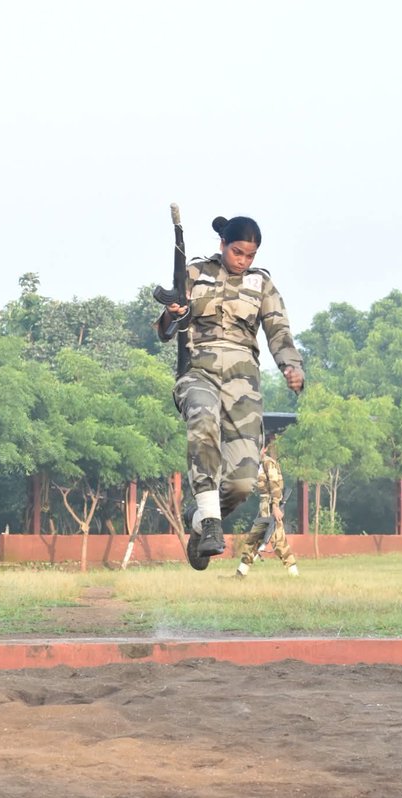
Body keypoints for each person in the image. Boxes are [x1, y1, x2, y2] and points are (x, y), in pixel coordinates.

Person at [158, 215, 305, 569]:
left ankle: (202, 521)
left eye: (250, 255)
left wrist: (291, 365)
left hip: (243, 382)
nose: (243, 260)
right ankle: (210, 522)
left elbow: (278, 330)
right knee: (203, 419)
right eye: (237, 252)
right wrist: (173, 312)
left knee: (241, 483)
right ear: (223, 244)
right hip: (198, 372)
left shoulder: (262, 284)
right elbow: (165, 330)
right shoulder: (195, 274)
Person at [235, 435, 299, 578]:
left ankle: (294, 575)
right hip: (264, 505)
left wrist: (276, 507)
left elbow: (275, 487)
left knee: (278, 542)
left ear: (263, 448)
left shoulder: (268, 463)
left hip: (271, 506)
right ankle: (240, 573)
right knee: (255, 538)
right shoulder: (256, 465)